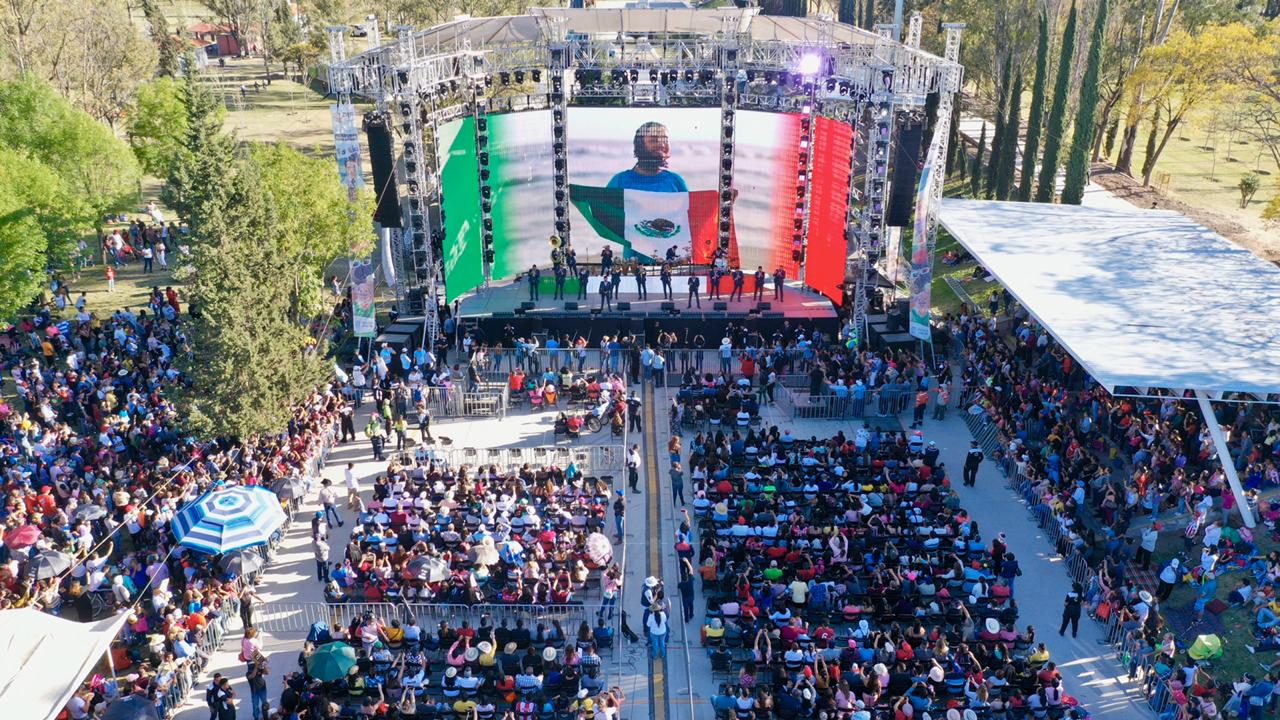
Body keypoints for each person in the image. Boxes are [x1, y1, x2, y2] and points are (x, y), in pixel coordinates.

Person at [606, 122, 688, 193]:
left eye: (665, 140)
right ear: (640, 146)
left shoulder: (675, 182)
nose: (662, 144)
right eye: (653, 140)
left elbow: (689, 210)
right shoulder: (620, 182)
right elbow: (604, 210)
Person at [246, 652, 270, 720]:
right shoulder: (247, 673)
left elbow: (267, 672)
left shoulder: (259, 668)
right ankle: (256, 717)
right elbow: (252, 675)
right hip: (254, 691)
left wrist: (264, 663)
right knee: (255, 706)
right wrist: (257, 665)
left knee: (264, 703)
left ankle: (265, 715)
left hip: (262, 688)